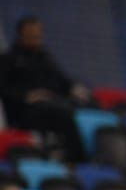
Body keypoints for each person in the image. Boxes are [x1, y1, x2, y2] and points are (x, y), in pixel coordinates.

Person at [0, 16, 88, 161]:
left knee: (79, 107)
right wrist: (27, 96)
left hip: (51, 104)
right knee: (62, 113)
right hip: (25, 112)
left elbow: (62, 79)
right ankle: (76, 159)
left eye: (38, 35)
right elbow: (3, 89)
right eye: (32, 36)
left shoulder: (45, 57)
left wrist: (75, 88)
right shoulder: (8, 60)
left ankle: (76, 156)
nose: (36, 39)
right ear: (21, 35)